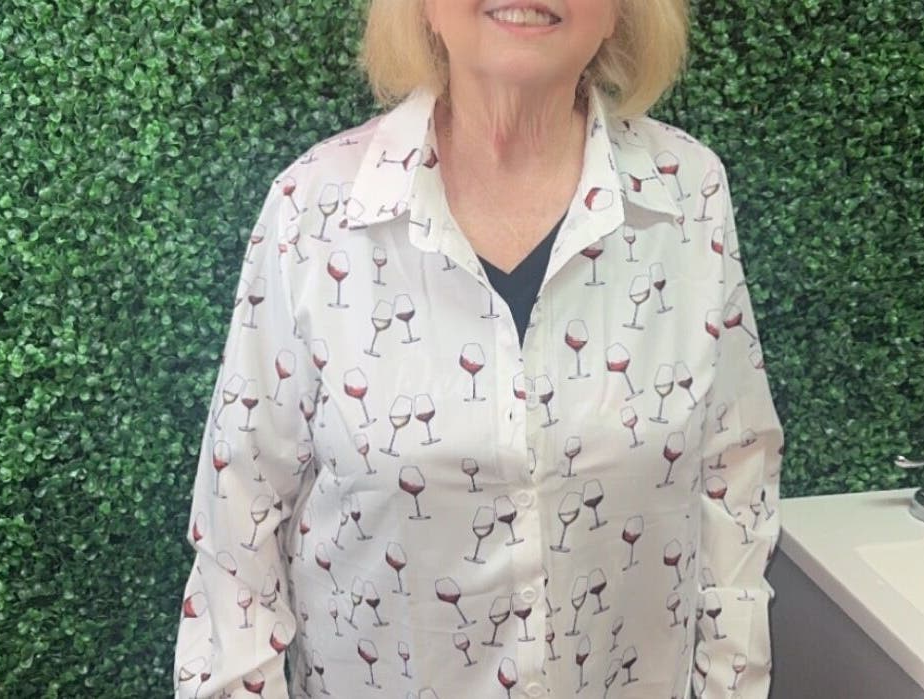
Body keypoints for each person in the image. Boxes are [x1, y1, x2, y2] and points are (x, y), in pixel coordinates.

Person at [174, 1, 784, 697]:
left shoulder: (688, 195)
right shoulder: (313, 213)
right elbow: (237, 535)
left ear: (619, 12)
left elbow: (734, 478)